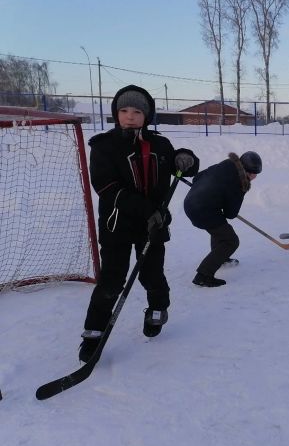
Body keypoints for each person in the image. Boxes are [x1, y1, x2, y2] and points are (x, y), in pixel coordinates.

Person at [79, 85, 199, 362]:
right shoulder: (103, 147)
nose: (130, 116)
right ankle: (93, 334)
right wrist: (149, 210)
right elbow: (108, 188)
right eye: (123, 110)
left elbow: (182, 167)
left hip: (152, 226)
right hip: (116, 224)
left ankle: (158, 311)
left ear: (147, 115)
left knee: (152, 275)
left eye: (136, 111)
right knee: (111, 280)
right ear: (115, 113)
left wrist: (187, 158)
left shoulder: (161, 145)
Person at [183, 151, 262, 287]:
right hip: (202, 210)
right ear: (248, 172)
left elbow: (198, 177)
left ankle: (221, 258)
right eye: (254, 173)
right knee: (231, 241)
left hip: (191, 201)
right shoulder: (240, 183)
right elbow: (231, 213)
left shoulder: (227, 164)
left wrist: (211, 194)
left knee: (220, 229)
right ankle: (203, 275)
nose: (254, 177)